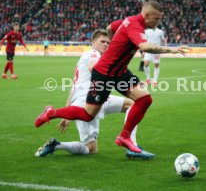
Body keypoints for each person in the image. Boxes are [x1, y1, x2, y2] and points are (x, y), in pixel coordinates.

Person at [34, 0, 190, 154]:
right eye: (156, 19)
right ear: (147, 15)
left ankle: (124, 136)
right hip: (104, 74)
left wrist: (115, 45)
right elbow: (145, 47)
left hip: (120, 72)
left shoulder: (127, 21)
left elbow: (110, 28)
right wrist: (171, 50)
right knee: (88, 115)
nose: (158, 22)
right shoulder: (135, 26)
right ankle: (50, 113)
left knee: (145, 99)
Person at [35, 30, 154, 159]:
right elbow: (94, 67)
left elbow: (73, 88)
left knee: (131, 106)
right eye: (102, 41)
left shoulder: (89, 57)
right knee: (92, 148)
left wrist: (67, 114)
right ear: (93, 43)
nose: (106, 45)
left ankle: (56, 144)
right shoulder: (94, 53)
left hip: (86, 100)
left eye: (108, 42)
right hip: (88, 100)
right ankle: (57, 144)